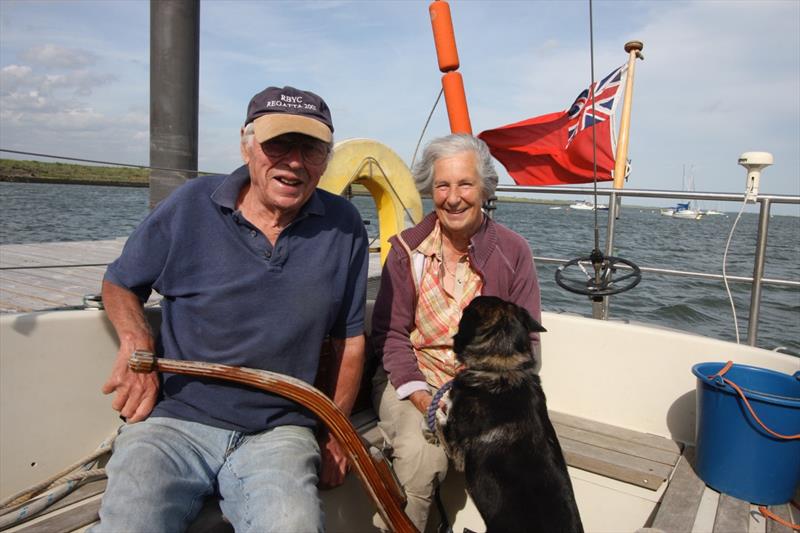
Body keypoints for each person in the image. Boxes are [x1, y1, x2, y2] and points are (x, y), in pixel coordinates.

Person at [94, 86, 369, 532]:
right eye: (278, 143)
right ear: (247, 144)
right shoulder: (190, 205)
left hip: (280, 431)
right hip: (175, 421)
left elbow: (349, 340)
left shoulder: (345, 225)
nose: (294, 161)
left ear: (326, 158)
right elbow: (121, 283)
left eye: (311, 149)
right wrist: (137, 342)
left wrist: (338, 433)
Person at [370, 133, 542, 532]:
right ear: (430, 189)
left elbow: (527, 343)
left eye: (465, 184)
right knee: (420, 458)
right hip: (410, 378)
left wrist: (478, 400)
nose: (453, 197)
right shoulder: (405, 251)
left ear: (484, 188)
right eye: (442, 185)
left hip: (483, 387)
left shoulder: (514, 252)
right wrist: (423, 396)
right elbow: (391, 336)